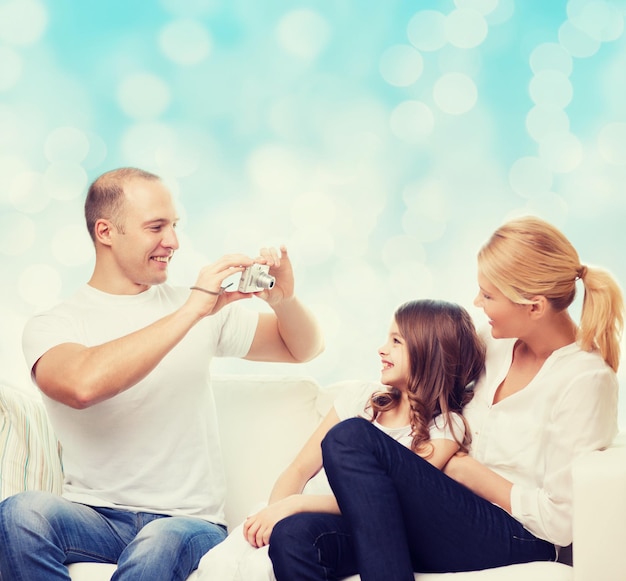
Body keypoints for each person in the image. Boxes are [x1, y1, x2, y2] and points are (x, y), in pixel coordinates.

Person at [0, 167, 324, 581]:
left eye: (174, 225)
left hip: (188, 524)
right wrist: (190, 309)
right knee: (19, 514)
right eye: (156, 227)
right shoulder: (54, 325)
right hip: (95, 518)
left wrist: (286, 300)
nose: (172, 241)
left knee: (158, 545)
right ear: (106, 232)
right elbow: (82, 385)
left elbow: (304, 349)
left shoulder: (205, 311)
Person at [269, 215, 624, 581]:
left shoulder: (585, 380)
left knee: (350, 437)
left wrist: (467, 471)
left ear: (534, 307)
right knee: (293, 538)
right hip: (442, 512)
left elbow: (560, 522)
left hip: (516, 534)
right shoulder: (492, 344)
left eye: (488, 295)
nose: (476, 302)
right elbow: (426, 368)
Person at [196, 298, 486, 581]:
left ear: (429, 352)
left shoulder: (446, 428)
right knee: (254, 553)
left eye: (396, 341)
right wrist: (276, 512)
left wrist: (296, 505)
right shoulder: (362, 399)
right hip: (300, 516)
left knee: (297, 536)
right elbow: (298, 470)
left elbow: (384, 503)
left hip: (354, 529)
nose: (382, 349)